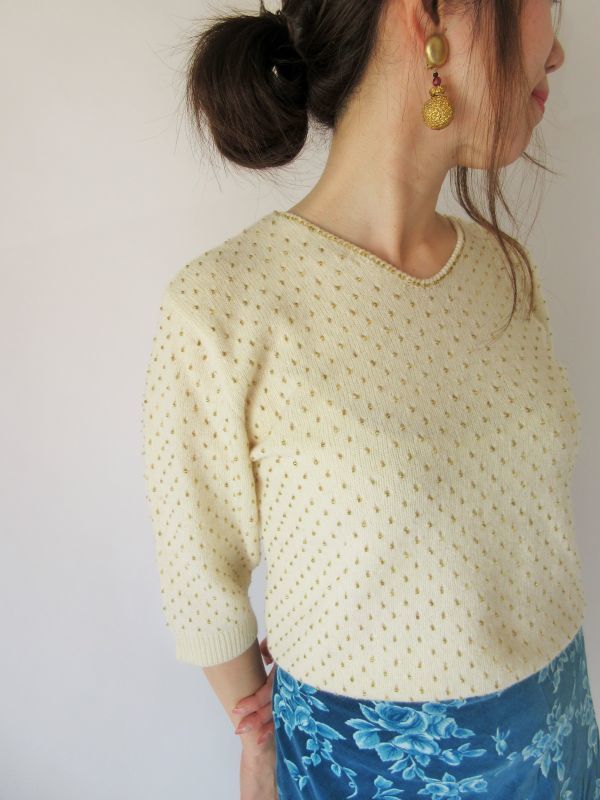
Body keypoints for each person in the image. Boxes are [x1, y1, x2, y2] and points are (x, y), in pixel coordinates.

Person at [140, 0, 600, 797]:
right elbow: (199, 576)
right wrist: (257, 740)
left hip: (556, 749)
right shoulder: (224, 307)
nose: (556, 52)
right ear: (430, 16)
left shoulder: (506, 271)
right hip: (360, 770)